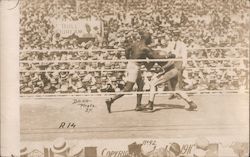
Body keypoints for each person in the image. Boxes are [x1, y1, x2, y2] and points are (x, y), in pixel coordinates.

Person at [105, 32, 155, 113]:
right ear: (147, 39)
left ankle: (138, 105)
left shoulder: (135, 44)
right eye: (150, 38)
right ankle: (111, 100)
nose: (151, 40)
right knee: (128, 88)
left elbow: (127, 49)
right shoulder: (145, 48)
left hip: (134, 65)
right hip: (134, 67)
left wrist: (129, 58)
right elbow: (153, 57)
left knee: (140, 84)